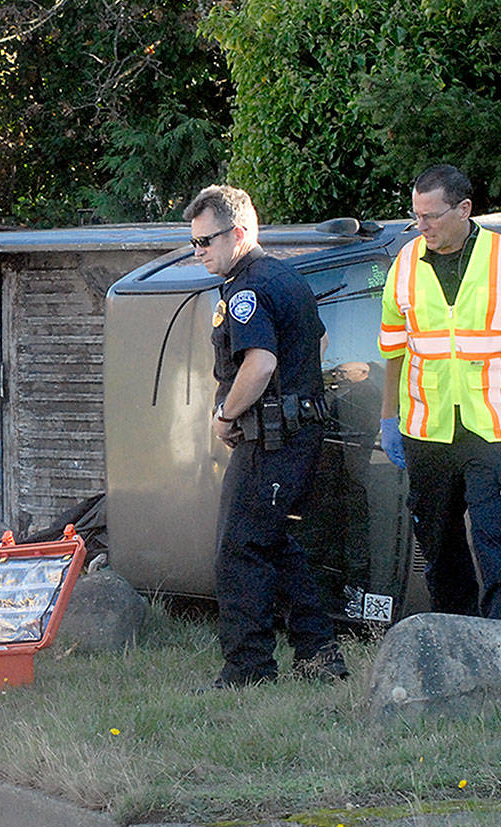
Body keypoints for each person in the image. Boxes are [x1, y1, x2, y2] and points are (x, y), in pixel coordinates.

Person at [378, 164, 501, 621]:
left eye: (431, 216)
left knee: (496, 539)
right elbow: (394, 351)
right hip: (426, 428)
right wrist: (388, 419)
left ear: (464, 209)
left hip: (491, 429)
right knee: (439, 547)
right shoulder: (406, 263)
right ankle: (455, 637)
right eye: (416, 215)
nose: (422, 225)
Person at [183, 184, 346, 688]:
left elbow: (260, 363)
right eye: (194, 242)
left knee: (239, 550)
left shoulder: (248, 289)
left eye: (206, 241)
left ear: (237, 234)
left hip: (273, 439)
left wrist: (225, 415)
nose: (198, 251)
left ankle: (248, 667)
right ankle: (320, 656)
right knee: (274, 542)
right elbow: (317, 340)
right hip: (294, 432)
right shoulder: (285, 276)